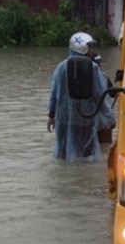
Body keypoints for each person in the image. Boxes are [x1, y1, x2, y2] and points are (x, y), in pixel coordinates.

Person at [48, 31, 114, 162]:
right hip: (85, 119)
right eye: (89, 47)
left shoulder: (61, 67)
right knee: (86, 158)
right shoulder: (93, 67)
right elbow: (100, 95)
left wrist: (51, 115)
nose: (91, 50)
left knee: (63, 156)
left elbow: (54, 93)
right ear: (83, 48)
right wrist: (109, 118)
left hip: (64, 119)